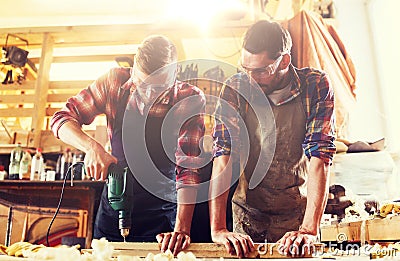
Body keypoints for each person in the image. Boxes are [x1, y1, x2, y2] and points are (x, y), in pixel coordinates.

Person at [50, 35, 206, 255]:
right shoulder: (113, 83)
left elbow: (188, 169)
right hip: (114, 208)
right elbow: (60, 119)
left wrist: (181, 230)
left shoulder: (188, 99)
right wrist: (92, 148)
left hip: (161, 216)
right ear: (133, 69)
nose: (150, 95)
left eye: (159, 88)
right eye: (143, 85)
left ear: (174, 75)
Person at [210, 20, 336, 257]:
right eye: (245, 68)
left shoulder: (316, 85)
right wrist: (218, 229)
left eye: (260, 71)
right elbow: (223, 157)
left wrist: (309, 229)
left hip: (297, 215)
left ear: (284, 61)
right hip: (247, 217)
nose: (251, 78)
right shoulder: (235, 89)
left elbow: (320, 157)